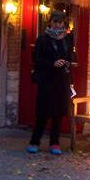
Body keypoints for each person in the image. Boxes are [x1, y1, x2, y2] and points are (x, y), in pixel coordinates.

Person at [27, 10, 73, 155]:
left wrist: (66, 63)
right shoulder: (42, 39)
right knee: (43, 112)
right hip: (47, 80)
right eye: (56, 22)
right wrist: (52, 63)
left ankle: (55, 143)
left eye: (61, 22)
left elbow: (70, 57)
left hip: (61, 81)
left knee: (58, 113)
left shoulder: (67, 39)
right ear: (50, 22)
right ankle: (35, 141)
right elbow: (36, 59)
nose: (58, 25)